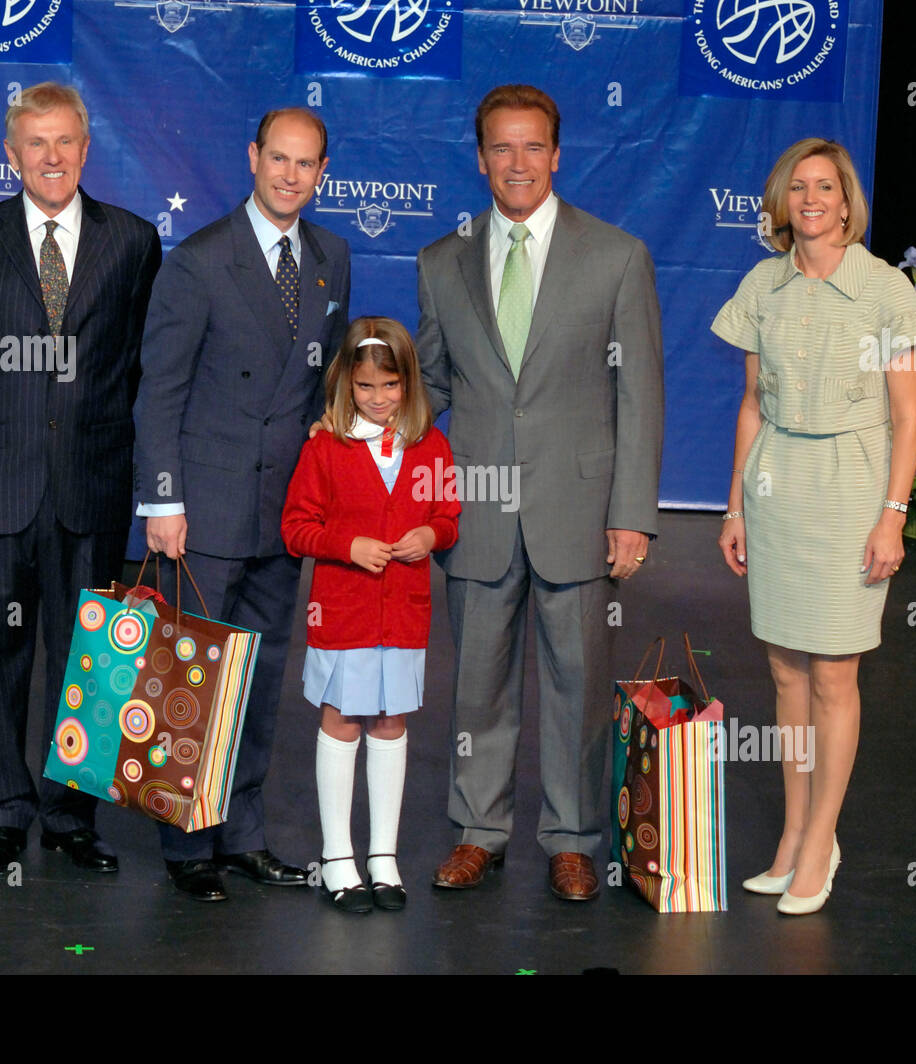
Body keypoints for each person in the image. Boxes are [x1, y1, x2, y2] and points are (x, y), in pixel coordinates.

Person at [416, 85, 665, 901]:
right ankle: (478, 832)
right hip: (479, 514)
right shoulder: (440, 261)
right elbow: (428, 387)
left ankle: (572, 839)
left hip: (579, 514)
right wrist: (359, 432)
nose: (516, 162)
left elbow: (642, 397)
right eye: (500, 147)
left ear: (557, 156)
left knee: (577, 689)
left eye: (532, 147)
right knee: (477, 686)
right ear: (480, 157)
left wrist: (631, 515)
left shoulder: (616, 255)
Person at [0, 82, 162, 875]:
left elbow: (136, 361)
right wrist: (16, 422)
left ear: (86, 149)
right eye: (37, 143)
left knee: (85, 661)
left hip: (89, 486)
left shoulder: (132, 241)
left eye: (65, 142)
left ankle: (69, 815)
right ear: (12, 153)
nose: (53, 157)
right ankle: (4, 810)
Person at [712, 137, 916, 914]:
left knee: (835, 674)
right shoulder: (762, 286)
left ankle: (819, 844)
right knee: (784, 673)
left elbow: (909, 418)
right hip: (777, 489)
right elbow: (751, 403)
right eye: (797, 187)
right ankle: (796, 832)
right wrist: (736, 505)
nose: (811, 199)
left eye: (825, 187)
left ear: (847, 202)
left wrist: (893, 517)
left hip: (851, 492)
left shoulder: (884, 291)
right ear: (782, 203)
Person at [132, 107, 350, 902]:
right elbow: (161, 389)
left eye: (307, 164)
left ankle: (244, 834)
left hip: (284, 512)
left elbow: (323, 383)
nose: (290, 176)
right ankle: (186, 842)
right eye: (278, 159)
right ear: (253, 158)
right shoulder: (198, 260)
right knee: (188, 678)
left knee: (260, 677)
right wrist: (164, 500)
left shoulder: (332, 256)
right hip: (204, 510)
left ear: (322, 172)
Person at [283, 317, 460, 913]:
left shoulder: (430, 445)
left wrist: (430, 534)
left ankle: (382, 856)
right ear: (346, 385)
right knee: (343, 720)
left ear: (409, 385)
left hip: (404, 617)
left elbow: (449, 516)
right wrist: (347, 545)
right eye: (365, 387)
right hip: (342, 614)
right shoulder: (326, 446)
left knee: (389, 724)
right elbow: (296, 527)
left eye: (390, 386)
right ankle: (338, 857)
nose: (379, 398)